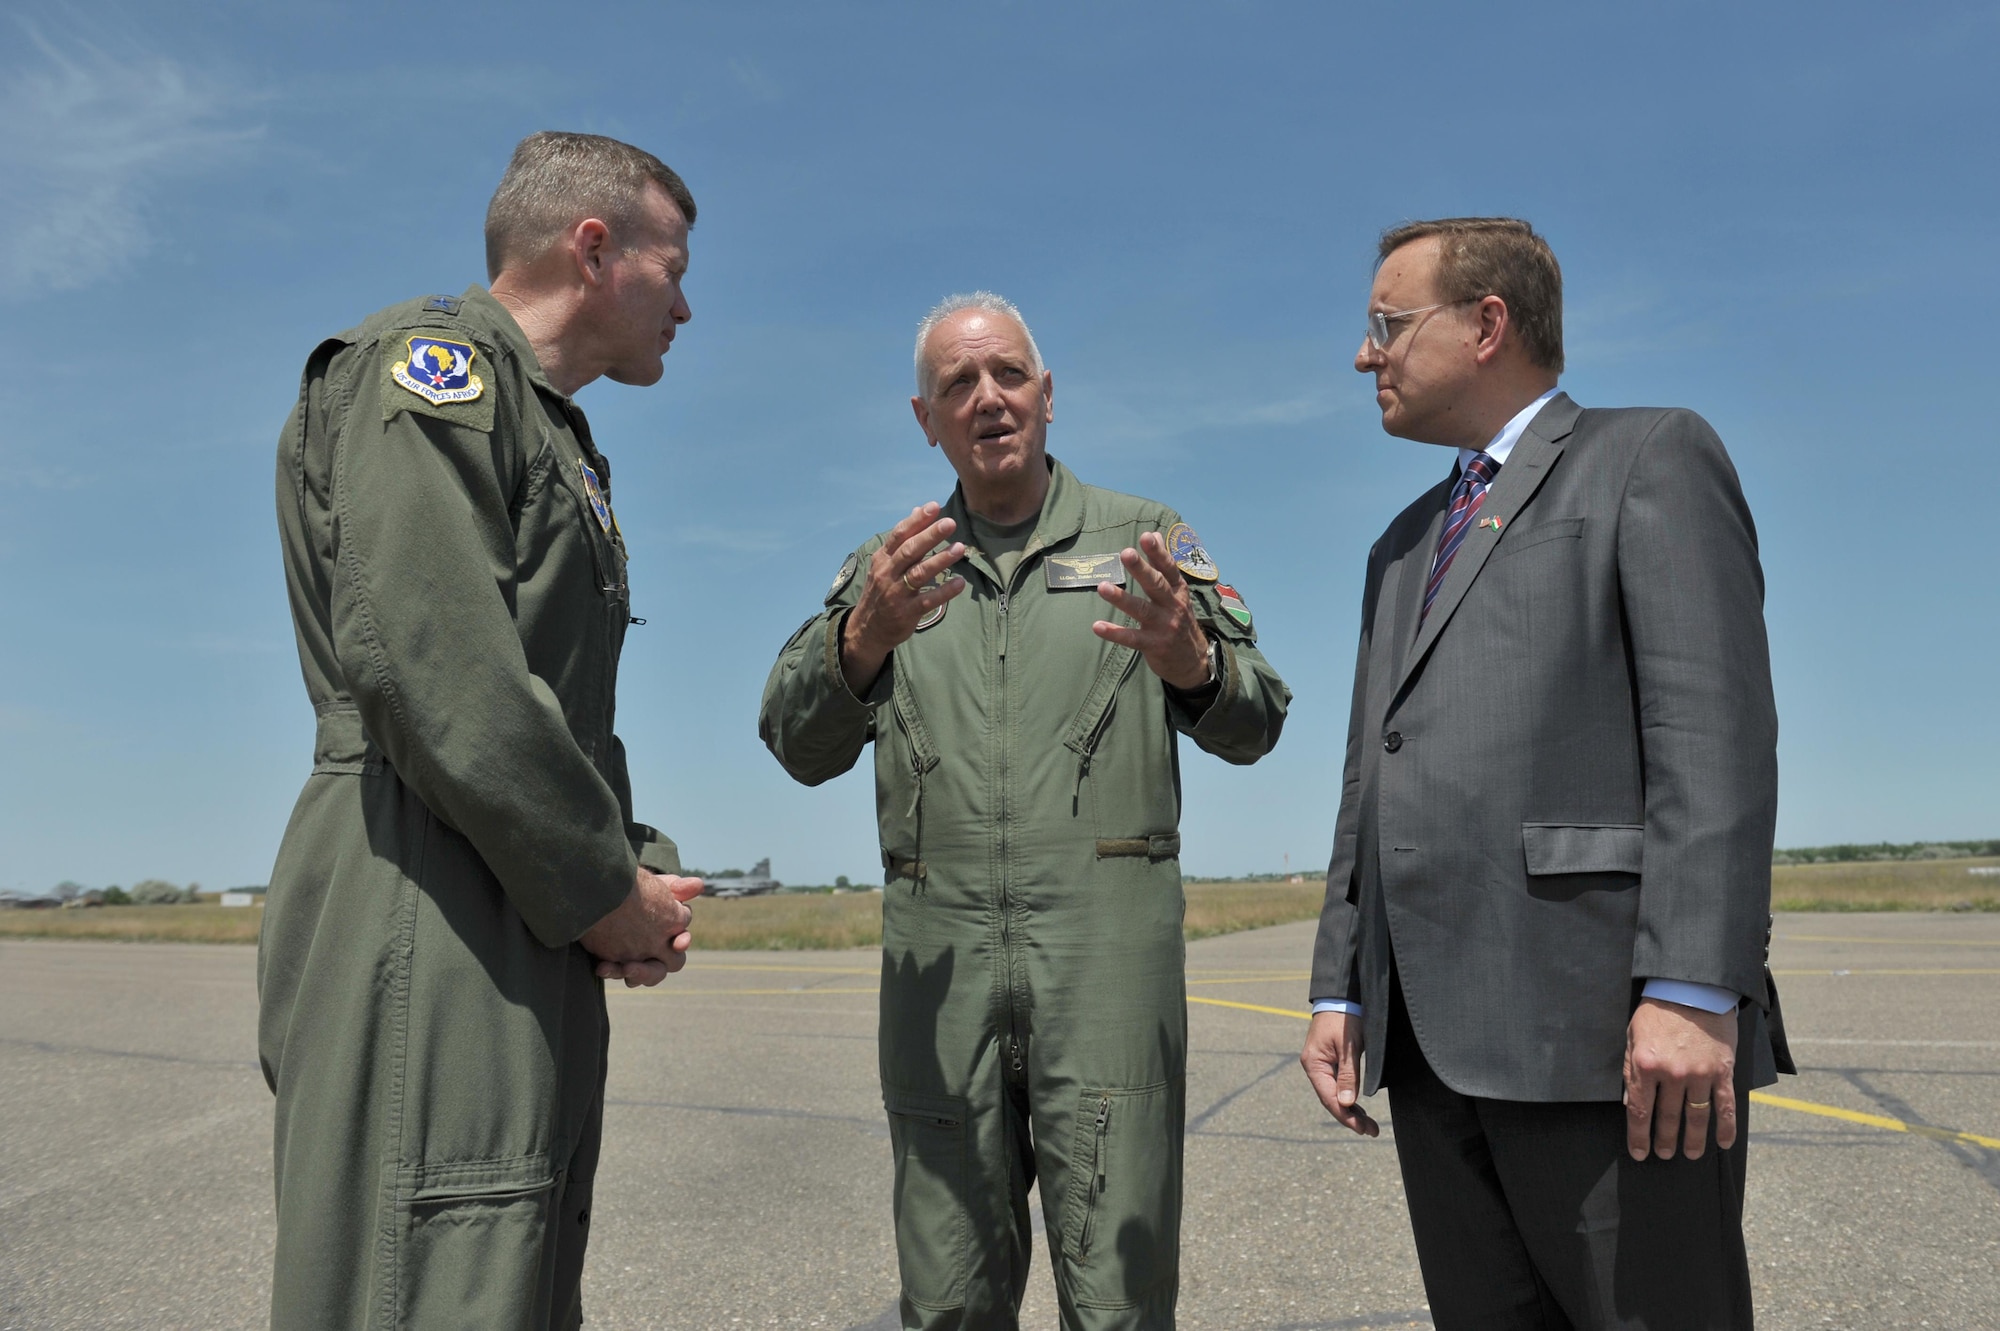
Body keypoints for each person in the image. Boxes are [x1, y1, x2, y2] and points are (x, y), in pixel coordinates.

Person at [760, 292, 1290, 1329]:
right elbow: (792, 738)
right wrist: (860, 637)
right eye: (957, 383)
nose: (987, 398)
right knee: (947, 1296)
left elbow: (1257, 716)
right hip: (939, 976)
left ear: (1047, 396)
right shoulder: (895, 565)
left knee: (1119, 1302)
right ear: (925, 418)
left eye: (1007, 374)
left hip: (1103, 968)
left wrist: (1191, 663)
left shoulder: (1142, 541)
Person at [1300, 217, 1792, 1329]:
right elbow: (1365, 779)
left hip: (1606, 1041)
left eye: (1385, 324)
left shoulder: (1646, 455)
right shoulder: (1400, 544)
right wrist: (1340, 982)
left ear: (1485, 324)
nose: (1363, 354)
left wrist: (1689, 985)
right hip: (1430, 1043)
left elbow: (1710, 733)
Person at [260, 132, 706, 1331]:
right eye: (674, 267)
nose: (687, 305)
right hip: (429, 886)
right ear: (595, 248)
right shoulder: (432, 372)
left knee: (506, 1266)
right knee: (430, 1271)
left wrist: (630, 864)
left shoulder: (546, 426)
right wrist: (599, 886)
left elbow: (541, 697)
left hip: (506, 887)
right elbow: (438, 673)